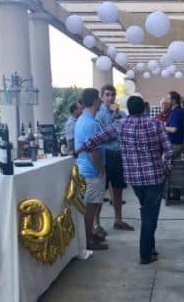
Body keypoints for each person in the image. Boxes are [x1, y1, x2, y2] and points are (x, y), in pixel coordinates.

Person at [76, 96, 173, 264]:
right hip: (155, 176)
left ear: (128, 108)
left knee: (147, 211)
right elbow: (169, 150)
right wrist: (167, 167)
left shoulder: (120, 125)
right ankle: (145, 253)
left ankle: (149, 248)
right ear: (143, 108)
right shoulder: (155, 124)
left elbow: (95, 139)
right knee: (150, 214)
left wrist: (79, 149)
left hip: (134, 179)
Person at [96, 84, 134, 231]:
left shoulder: (123, 114)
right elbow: (103, 137)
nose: (110, 97)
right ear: (102, 97)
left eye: (112, 94)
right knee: (101, 190)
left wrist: (117, 115)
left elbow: (125, 133)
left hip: (119, 154)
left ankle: (118, 220)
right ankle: (96, 223)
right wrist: (114, 119)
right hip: (105, 154)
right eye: (107, 95)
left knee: (118, 189)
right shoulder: (98, 115)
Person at [74, 88, 108, 251]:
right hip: (92, 171)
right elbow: (93, 150)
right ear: (95, 101)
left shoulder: (82, 119)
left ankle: (89, 235)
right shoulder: (91, 123)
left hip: (84, 169)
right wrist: (101, 169)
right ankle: (88, 240)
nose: (102, 101)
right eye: (100, 99)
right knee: (90, 208)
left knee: (90, 207)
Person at [165, 91, 184, 158]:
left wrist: (162, 127)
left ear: (174, 100)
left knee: (170, 167)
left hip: (174, 146)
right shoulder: (180, 112)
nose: (167, 101)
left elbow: (174, 129)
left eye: (168, 99)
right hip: (178, 145)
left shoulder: (177, 112)